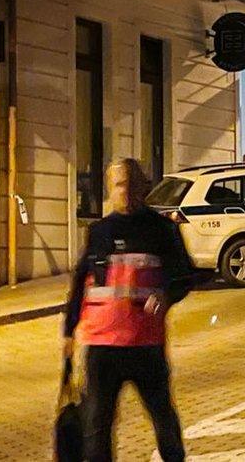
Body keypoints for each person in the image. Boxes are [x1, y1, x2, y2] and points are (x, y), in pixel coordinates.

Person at [63, 158, 195, 462]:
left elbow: (185, 276)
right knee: (97, 424)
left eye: (132, 184)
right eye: (120, 184)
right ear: (110, 188)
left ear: (143, 187)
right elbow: (79, 281)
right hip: (101, 346)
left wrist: (167, 294)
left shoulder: (162, 229)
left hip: (144, 344)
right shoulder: (99, 231)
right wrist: (68, 332)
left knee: (162, 415)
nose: (126, 190)